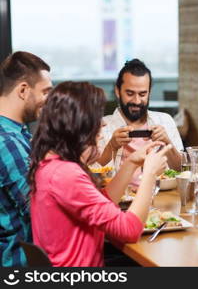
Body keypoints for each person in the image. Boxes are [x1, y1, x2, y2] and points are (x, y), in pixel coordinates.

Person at [28, 81, 171, 267]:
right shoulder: (65, 174)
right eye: (96, 119)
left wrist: (131, 163)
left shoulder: (51, 164)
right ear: (79, 125)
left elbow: (102, 202)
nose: (102, 124)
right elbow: (130, 230)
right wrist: (150, 175)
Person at [96, 59, 182, 189]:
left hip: (162, 198)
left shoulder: (165, 120)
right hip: (119, 200)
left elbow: (182, 170)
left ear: (149, 93)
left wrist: (167, 143)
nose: (136, 101)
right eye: (130, 93)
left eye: (142, 94)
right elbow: (92, 175)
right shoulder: (102, 126)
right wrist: (111, 146)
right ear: (118, 91)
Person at [0, 51, 52, 266]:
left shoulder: (18, 133)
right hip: (20, 264)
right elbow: (41, 212)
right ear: (23, 90)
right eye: (46, 92)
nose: (48, 100)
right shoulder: (7, 142)